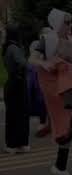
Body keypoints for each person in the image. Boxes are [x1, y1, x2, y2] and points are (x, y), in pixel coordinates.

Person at [29, 9, 72, 175]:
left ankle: (60, 163)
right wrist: (44, 63)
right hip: (53, 86)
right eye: (67, 22)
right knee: (69, 122)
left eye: (71, 22)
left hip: (67, 84)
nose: (70, 25)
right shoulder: (48, 39)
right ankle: (60, 161)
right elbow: (32, 59)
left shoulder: (71, 41)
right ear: (58, 23)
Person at [2, 24, 30, 154]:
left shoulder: (9, 47)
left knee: (13, 115)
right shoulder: (15, 47)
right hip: (19, 83)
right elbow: (23, 63)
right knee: (22, 114)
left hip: (13, 83)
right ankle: (22, 143)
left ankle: (12, 144)